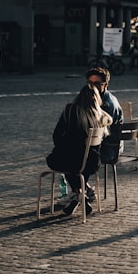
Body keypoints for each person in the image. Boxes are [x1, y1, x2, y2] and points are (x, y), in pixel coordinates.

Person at [46, 84, 113, 216]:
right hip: (92, 162)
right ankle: (79, 196)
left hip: (71, 161)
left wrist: (62, 147)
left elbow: (57, 135)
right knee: (77, 165)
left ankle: (79, 195)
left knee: (63, 161)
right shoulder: (100, 115)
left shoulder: (71, 110)